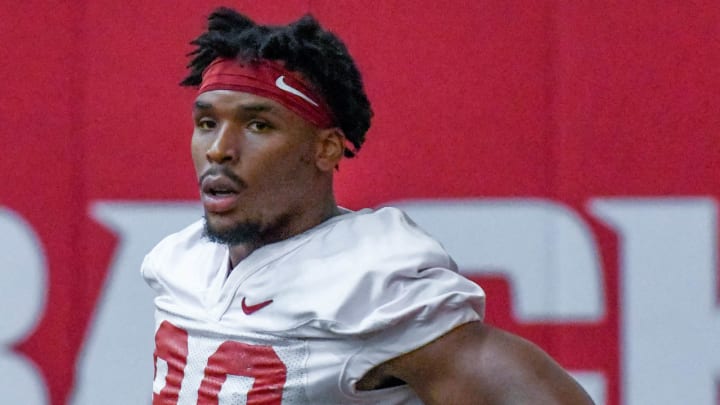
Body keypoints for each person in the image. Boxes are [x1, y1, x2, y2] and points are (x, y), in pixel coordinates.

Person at [142, 7, 595, 404]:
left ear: (326, 150)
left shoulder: (371, 286)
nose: (220, 149)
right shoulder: (179, 265)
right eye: (206, 123)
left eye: (258, 125)